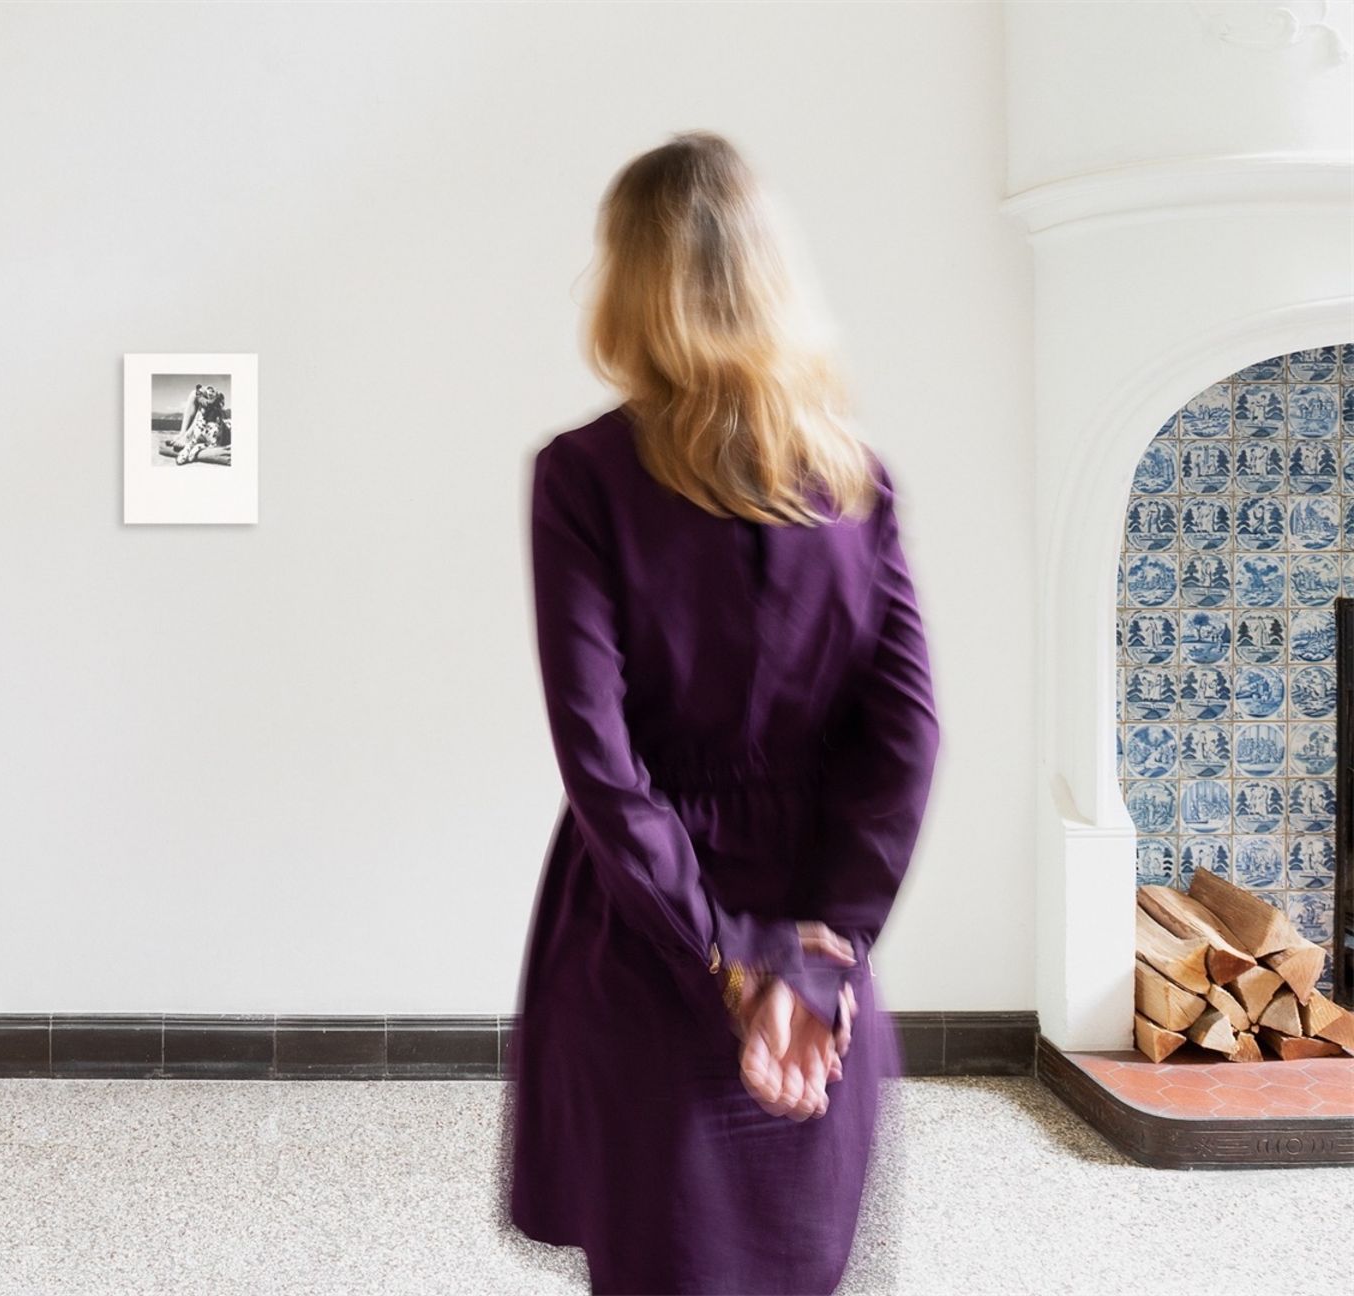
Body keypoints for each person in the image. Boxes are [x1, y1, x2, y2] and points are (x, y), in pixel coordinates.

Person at [503, 131, 940, 1295]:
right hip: (812, 924)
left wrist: (732, 958)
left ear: (629, 283)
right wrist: (820, 953)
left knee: (664, 1254)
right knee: (796, 1260)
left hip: (652, 939)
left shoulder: (582, 478)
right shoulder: (859, 481)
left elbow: (604, 765)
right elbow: (903, 742)